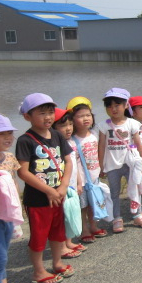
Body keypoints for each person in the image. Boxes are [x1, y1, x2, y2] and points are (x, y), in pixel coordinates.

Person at [15, 93, 74, 283]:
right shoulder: (25, 140)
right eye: (42, 113)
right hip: (38, 198)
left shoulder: (57, 134)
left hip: (59, 194)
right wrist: (48, 191)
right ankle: (39, 271)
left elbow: (67, 160)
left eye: (50, 112)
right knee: (39, 235)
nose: (48, 117)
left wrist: (63, 186)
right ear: (27, 116)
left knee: (58, 231)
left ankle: (57, 262)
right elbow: (23, 172)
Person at [0, 113, 32, 283]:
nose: (8, 138)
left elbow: (15, 185)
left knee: (3, 254)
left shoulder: (9, 158)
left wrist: (18, 211)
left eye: (10, 133)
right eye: (1, 134)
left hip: (7, 216)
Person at [97, 88, 142, 231]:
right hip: (112, 164)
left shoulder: (132, 123)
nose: (113, 109)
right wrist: (100, 165)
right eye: (109, 106)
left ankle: (137, 215)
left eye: (117, 105)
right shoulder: (103, 126)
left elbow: (138, 144)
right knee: (114, 192)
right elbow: (101, 146)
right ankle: (117, 218)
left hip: (130, 163)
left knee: (135, 188)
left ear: (126, 105)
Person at [66, 97, 107, 243]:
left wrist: (102, 168)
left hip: (94, 176)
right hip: (81, 180)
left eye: (88, 115)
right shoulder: (72, 140)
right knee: (82, 206)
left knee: (93, 202)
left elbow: (99, 152)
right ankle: (84, 229)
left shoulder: (94, 135)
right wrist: (76, 183)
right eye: (80, 116)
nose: (85, 119)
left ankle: (94, 226)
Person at [51, 109, 86, 259]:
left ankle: (68, 241)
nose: (69, 128)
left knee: (70, 214)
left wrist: (79, 183)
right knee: (62, 217)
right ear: (53, 127)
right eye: (63, 125)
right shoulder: (54, 145)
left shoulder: (72, 142)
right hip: (61, 187)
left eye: (71, 124)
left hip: (72, 186)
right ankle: (62, 246)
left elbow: (76, 165)